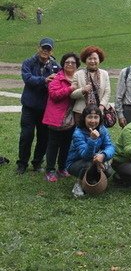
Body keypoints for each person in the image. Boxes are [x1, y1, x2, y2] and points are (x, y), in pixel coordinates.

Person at [16, 38, 60, 174]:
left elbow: (59, 81)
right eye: (43, 48)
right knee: (26, 135)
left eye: (48, 49)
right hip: (29, 107)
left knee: (43, 137)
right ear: (38, 48)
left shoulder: (55, 66)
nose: (45, 51)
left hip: (46, 108)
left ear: (52, 50)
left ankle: (37, 163)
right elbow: (27, 79)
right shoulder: (28, 63)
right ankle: (22, 164)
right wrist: (44, 80)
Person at [42, 52, 80, 182]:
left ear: (77, 65)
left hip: (71, 117)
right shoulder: (57, 78)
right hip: (56, 117)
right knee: (53, 144)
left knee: (66, 144)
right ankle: (50, 170)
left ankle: (62, 168)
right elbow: (54, 95)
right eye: (67, 62)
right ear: (63, 64)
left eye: (73, 62)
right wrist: (70, 89)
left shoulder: (78, 78)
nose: (70, 64)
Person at [66, 105, 115, 197]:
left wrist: (103, 155)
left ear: (100, 118)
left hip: (94, 158)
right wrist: (92, 140)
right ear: (84, 118)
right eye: (90, 117)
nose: (93, 121)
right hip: (75, 163)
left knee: (108, 170)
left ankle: (91, 180)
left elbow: (110, 147)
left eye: (96, 117)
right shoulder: (78, 133)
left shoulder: (102, 129)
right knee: (88, 164)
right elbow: (85, 155)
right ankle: (79, 185)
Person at [71, 46, 110, 124]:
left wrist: (101, 107)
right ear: (85, 60)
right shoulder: (78, 74)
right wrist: (82, 90)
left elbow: (107, 92)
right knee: (81, 135)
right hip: (81, 112)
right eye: (90, 58)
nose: (92, 61)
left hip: (99, 112)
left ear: (99, 60)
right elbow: (72, 94)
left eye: (95, 58)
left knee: (98, 135)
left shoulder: (104, 74)